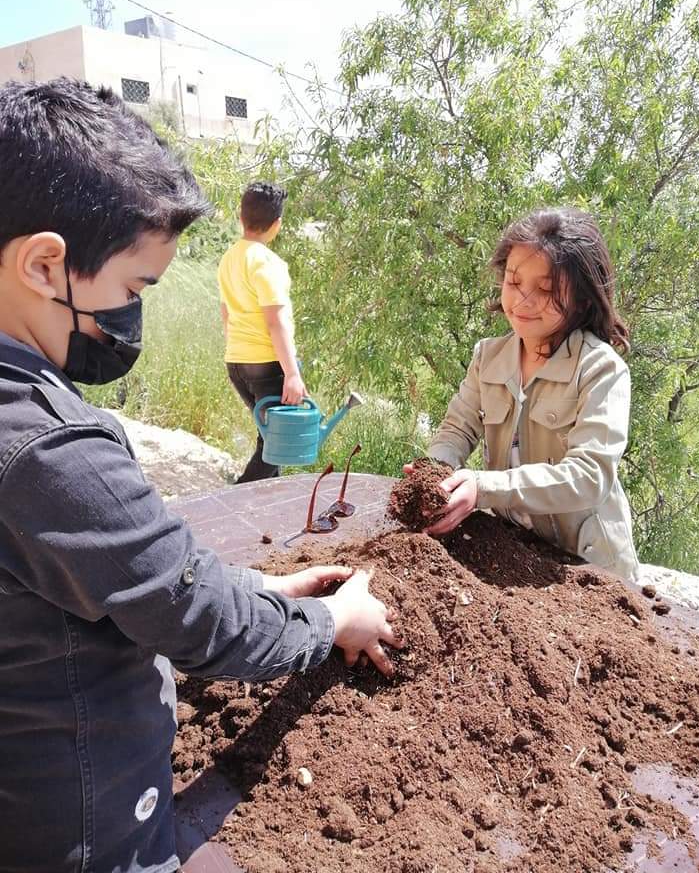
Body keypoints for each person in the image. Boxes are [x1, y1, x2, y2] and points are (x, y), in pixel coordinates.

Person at [0, 78, 402, 873]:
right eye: (130, 290)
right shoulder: (50, 448)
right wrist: (330, 625)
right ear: (46, 264)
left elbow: (99, 571)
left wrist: (256, 589)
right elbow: (196, 623)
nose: (130, 317)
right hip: (84, 826)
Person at [411, 207, 640, 581]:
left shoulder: (601, 369)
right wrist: (434, 475)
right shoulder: (489, 357)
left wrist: (483, 488)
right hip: (515, 551)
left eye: (547, 289)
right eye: (515, 282)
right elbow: (456, 430)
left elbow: (589, 476)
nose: (523, 301)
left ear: (582, 299)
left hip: (586, 567)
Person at [218, 181, 307, 482]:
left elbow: (225, 312)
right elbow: (276, 322)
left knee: (268, 436)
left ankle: (267, 507)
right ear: (277, 224)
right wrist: (292, 374)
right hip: (266, 366)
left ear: (240, 217)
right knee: (277, 444)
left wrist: (238, 351)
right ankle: (238, 499)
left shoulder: (229, 258)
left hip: (237, 363)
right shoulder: (268, 263)